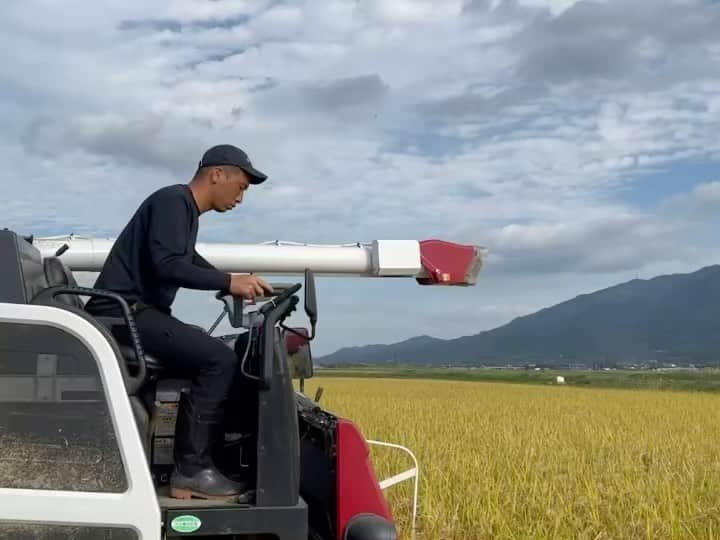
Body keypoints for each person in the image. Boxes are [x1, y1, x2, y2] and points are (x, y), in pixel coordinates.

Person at [85, 144, 273, 501]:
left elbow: (187, 259)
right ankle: (191, 470)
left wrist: (229, 280)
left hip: (134, 313)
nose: (241, 197)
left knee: (204, 348)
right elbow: (168, 264)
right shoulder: (174, 202)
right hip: (122, 315)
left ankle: (189, 461)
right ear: (217, 174)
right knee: (219, 359)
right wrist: (228, 283)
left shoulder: (180, 209)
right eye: (242, 186)